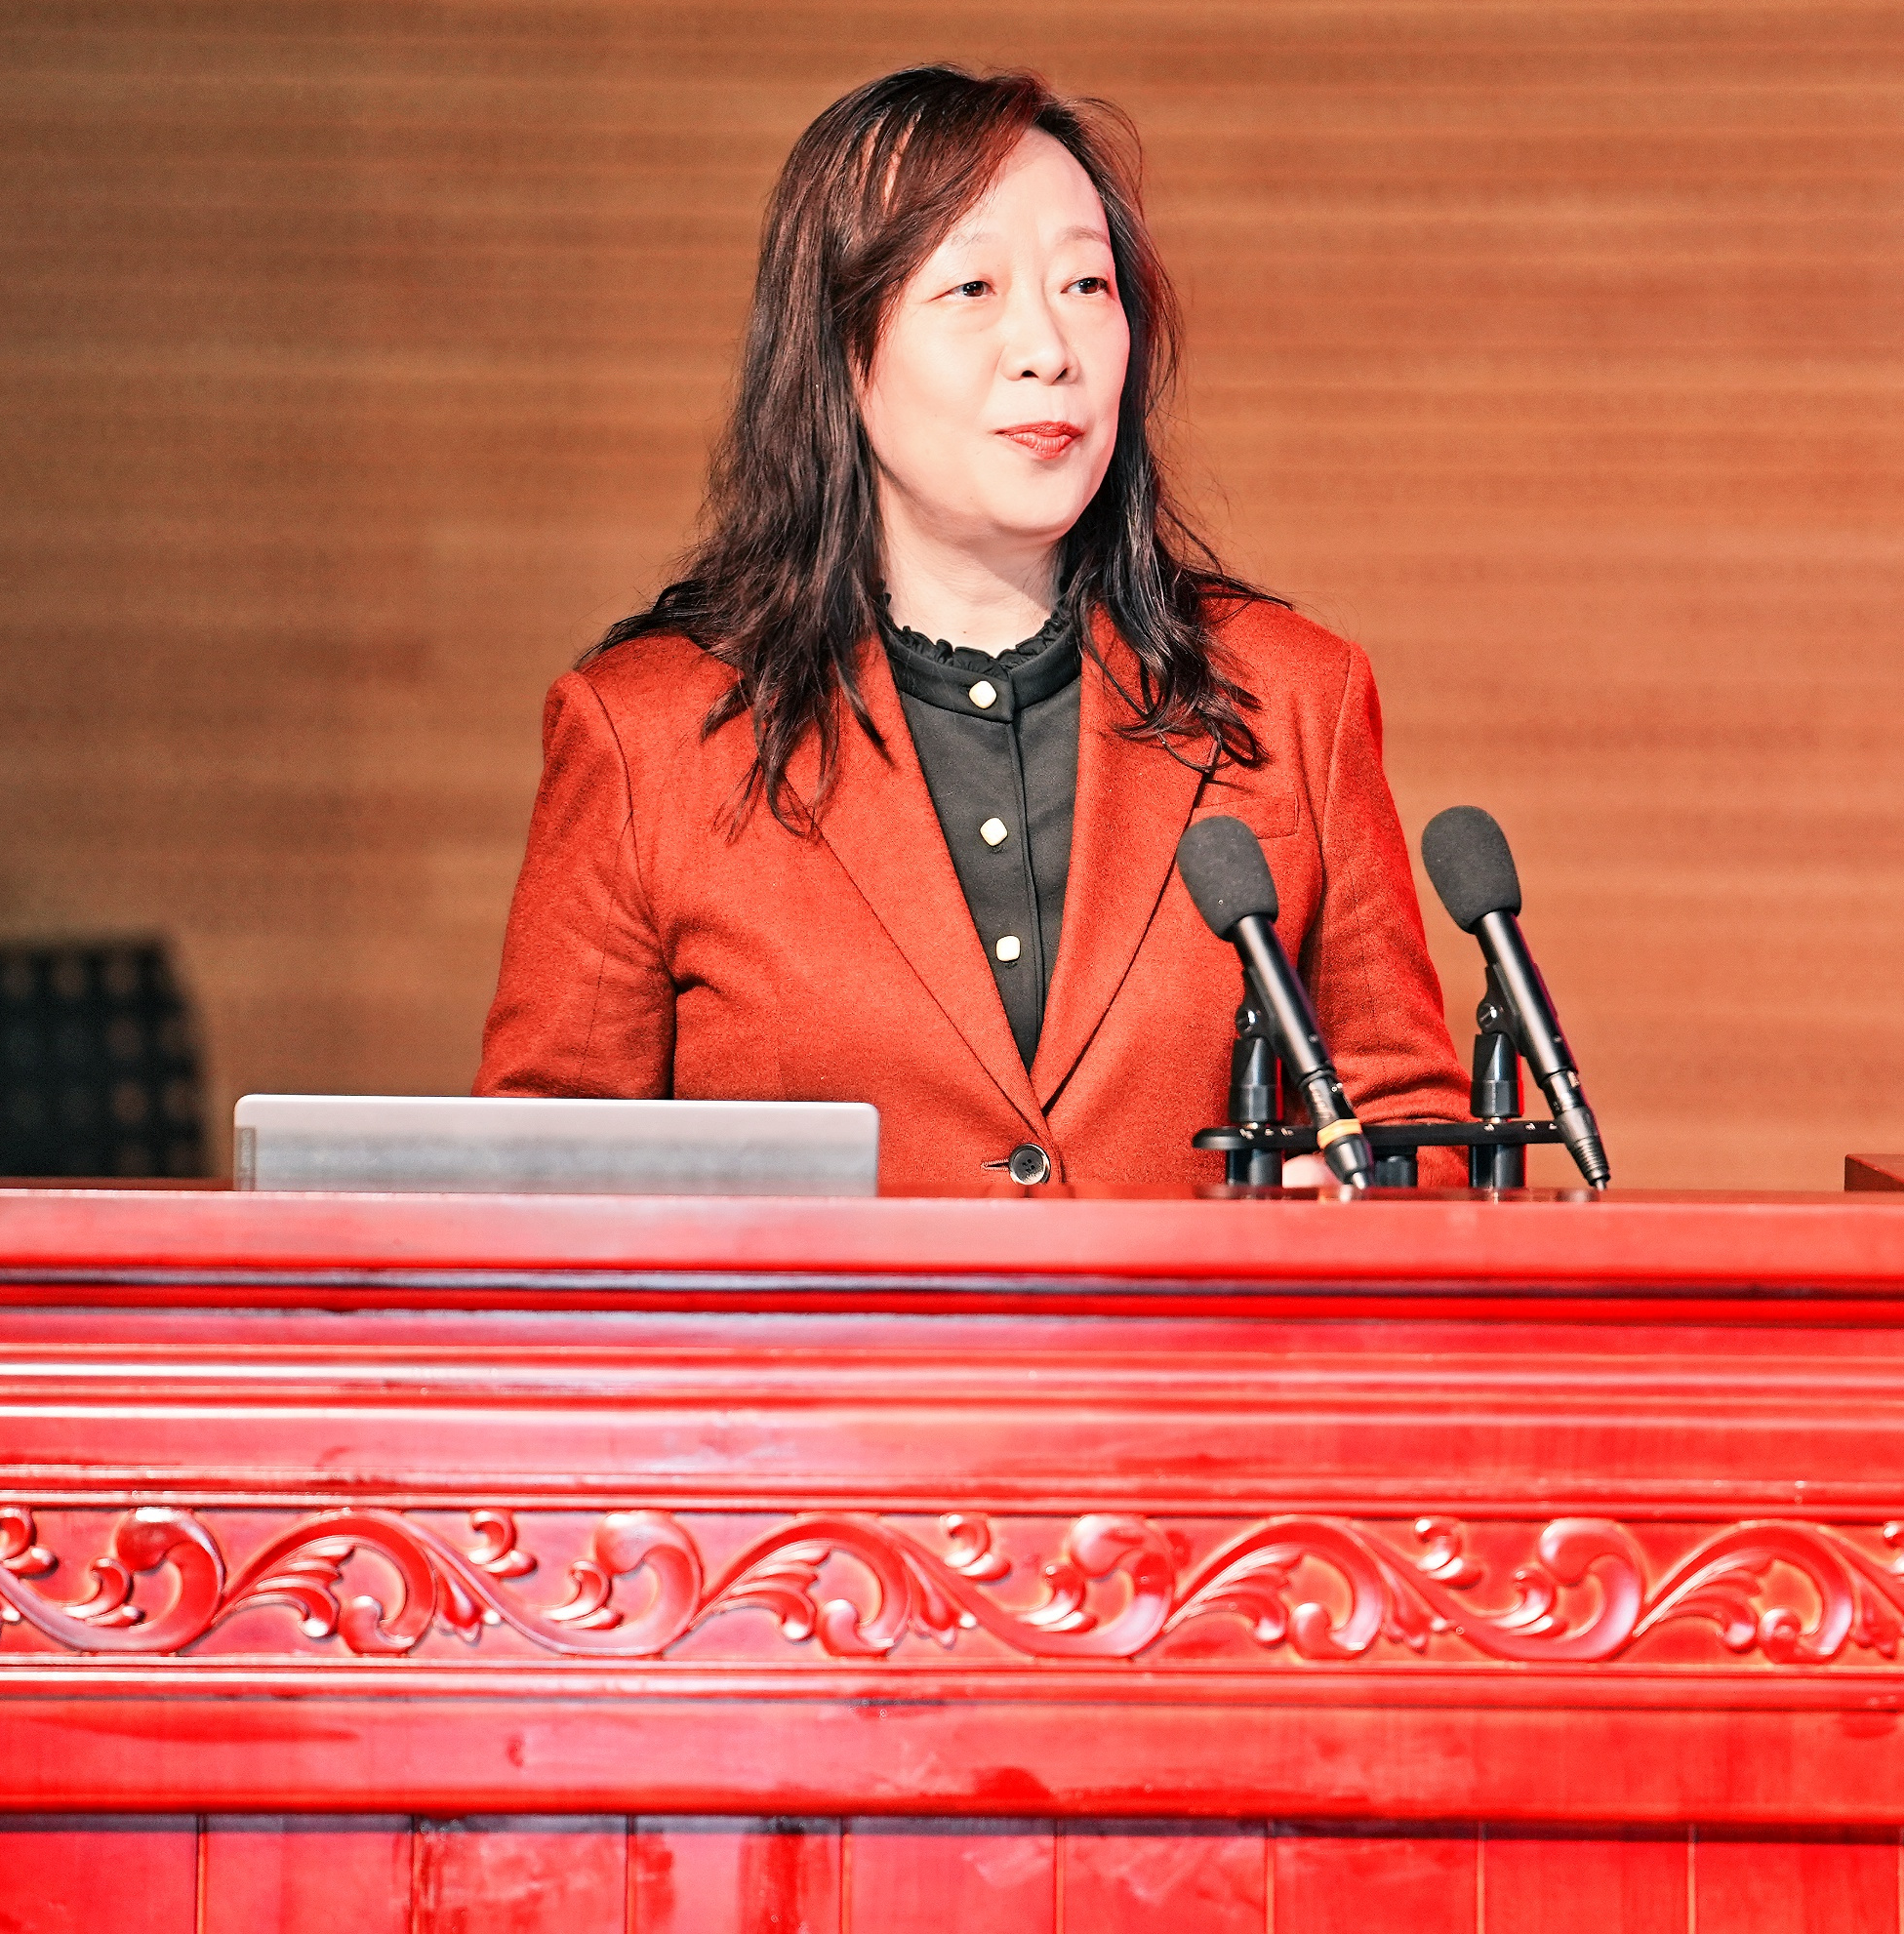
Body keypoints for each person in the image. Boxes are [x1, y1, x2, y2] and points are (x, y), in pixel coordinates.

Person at [474, 64, 1463, 1191]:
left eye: (1086, 284)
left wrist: (1362, 1198)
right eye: (974, 288)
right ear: (841, 348)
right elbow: (535, 1197)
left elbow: (1419, 1129)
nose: (1047, 347)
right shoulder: (644, 735)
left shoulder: (1291, 699)